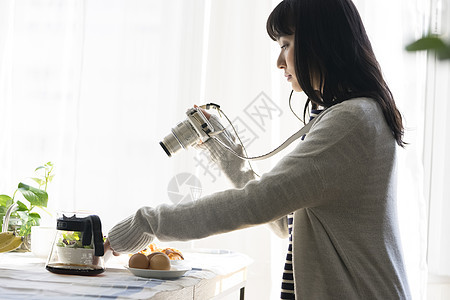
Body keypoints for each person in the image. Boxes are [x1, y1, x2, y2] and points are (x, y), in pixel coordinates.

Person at [105, 0, 411, 298]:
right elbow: (282, 219)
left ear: (321, 42)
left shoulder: (351, 120)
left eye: (285, 44)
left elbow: (259, 202)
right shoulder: (348, 114)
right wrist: (223, 148)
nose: (280, 62)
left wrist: (147, 223)